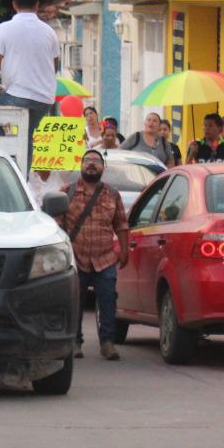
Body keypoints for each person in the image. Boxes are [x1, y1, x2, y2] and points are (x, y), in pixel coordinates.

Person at [61, 149, 130, 360]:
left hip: (105, 258)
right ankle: (74, 341)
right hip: (76, 257)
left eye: (96, 161)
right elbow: (57, 226)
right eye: (87, 160)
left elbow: (121, 224)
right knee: (75, 302)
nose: (91, 164)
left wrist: (125, 250)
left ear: (103, 168)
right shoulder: (67, 192)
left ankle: (108, 343)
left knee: (108, 299)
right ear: (80, 166)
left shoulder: (113, 194)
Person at [0, 0, 60, 146]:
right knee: (26, 137)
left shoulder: (4, 29)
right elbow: (54, 65)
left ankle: (6, 157)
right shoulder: (49, 32)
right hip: (44, 98)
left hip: (17, 95)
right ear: (37, 5)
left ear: (14, 4)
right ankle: (22, 170)